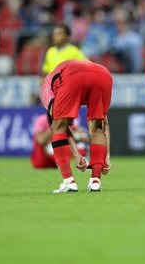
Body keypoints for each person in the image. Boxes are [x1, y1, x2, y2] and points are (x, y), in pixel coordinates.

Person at [40, 60, 112, 192]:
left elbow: (59, 125)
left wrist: (76, 154)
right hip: (104, 74)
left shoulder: (45, 88)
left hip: (75, 76)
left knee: (58, 126)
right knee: (97, 126)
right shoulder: (59, 74)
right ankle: (95, 181)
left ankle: (69, 182)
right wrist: (106, 156)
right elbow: (104, 123)